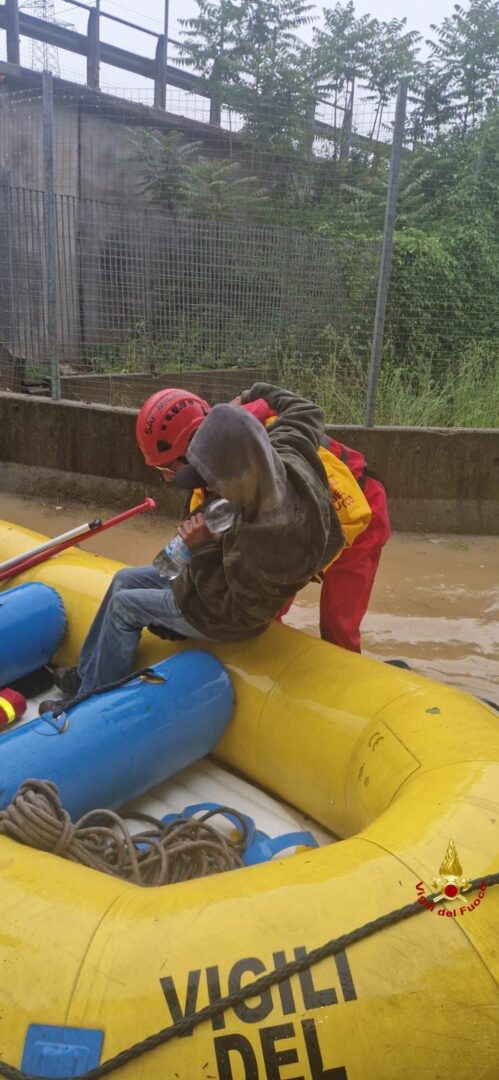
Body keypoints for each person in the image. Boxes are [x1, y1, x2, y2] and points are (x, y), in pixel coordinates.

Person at [42, 385, 343, 712]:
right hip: (224, 579)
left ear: (232, 481)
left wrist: (199, 549)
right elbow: (307, 411)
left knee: (126, 606)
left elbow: (227, 603)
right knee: (124, 580)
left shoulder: (267, 543)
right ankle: (88, 674)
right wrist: (249, 394)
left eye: (210, 479)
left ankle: (90, 701)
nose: (205, 486)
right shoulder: (286, 448)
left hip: (231, 616)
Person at [138, 384, 391, 653]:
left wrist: (249, 395)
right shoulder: (209, 485)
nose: (166, 478)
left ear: (190, 452)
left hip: (357, 508)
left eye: (166, 468)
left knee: (338, 624)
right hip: (298, 521)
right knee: (268, 604)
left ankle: (346, 676)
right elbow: (215, 560)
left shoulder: (259, 454)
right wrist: (183, 603)